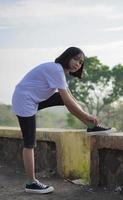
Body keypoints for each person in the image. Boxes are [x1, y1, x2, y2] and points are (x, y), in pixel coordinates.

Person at [12, 46, 112, 194]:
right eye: (75, 59)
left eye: (80, 62)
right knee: (29, 143)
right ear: (67, 56)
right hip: (24, 100)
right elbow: (68, 101)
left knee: (63, 98)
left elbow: (68, 98)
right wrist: (87, 116)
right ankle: (31, 183)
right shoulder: (56, 70)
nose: (78, 64)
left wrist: (87, 118)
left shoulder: (59, 72)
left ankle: (90, 126)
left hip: (33, 99)